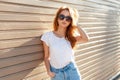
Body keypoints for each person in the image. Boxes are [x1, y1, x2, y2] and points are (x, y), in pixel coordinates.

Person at [41, 6, 89, 80]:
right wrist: (49, 71)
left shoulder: (71, 37)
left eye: (68, 18)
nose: (64, 20)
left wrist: (76, 25)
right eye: (61, 17)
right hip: (56, 74)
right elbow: (46, 57)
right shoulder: (47, 36)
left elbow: (86, 39)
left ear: (71, 21)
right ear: (57, 18)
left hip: (71, 71)